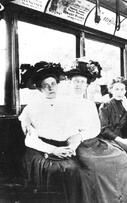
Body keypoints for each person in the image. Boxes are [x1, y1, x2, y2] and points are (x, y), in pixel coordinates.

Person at [66, 60, 127, 203]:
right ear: (70, 83)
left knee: (120, 156)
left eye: (82, 82)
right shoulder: (63, 102)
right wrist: (77, 135)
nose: (79, 85)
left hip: (91, 140)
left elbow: (95, 127)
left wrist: (84, 134)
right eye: (76, 81)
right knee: (97, 165)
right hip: (74, 142)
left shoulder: (89, 104)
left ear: (86, 85)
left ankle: (124, 199)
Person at [19, 61, 88, 202]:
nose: (51, 88)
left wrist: (72, 145)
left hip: (64, 146)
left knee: (82, 170)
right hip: (39, 149)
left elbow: (75, 130)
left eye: (53, 84)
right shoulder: (30, 108)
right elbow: (30, 139)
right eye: (46, 85)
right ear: (39, 88)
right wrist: (53, 150)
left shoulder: (67, 104)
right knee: (61, 170)